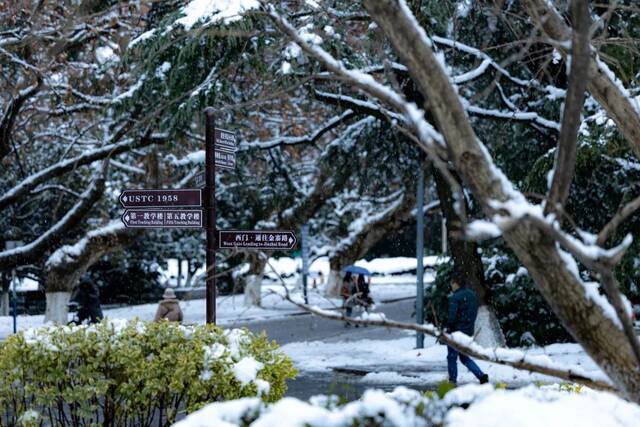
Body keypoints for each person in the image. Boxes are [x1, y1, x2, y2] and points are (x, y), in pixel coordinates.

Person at [446, 278, 489, 385]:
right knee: (464, 357)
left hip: (456, 332)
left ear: (456, 283)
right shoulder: (472, 295)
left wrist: (448, 328)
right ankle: (481, 376)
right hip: (468, 331)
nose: (451, 286)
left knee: (451, 356)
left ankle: (452, 380)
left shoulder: (455, 297)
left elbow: (452, 316)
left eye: (452, 284)